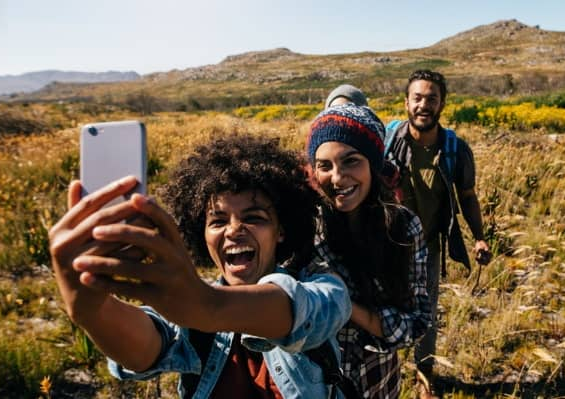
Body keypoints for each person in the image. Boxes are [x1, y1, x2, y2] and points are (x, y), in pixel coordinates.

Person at [47, 136, 352, 398]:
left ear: (281, 230)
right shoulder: (188, 311)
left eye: (254, 217)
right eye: (217, 221)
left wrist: (208, 307)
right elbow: (144, 350)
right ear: (200, 234)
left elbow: (302, 312)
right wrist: (91, 311)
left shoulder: (323, 288)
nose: (233, 230)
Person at [306, 103, 432, 399]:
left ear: (373, 164)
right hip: (312, 385)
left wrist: (343, 303)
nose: (337, 178)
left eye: (351, 161)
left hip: (377, 382)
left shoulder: (402, 227)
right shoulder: (305, 229)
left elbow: (416, 324)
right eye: (324, 165)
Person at [384, 70, 492, 398]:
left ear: (442, 103)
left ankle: (423, 374)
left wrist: (479, 236)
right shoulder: (386, 143)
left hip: (428, 246)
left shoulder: (455, 150)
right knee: (383, 307)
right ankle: (384, 369)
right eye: (417, 98)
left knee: (427, 312)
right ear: (406, 102)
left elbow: (468, 196)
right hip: (387, 243)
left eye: (432, 98)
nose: (424, 105)